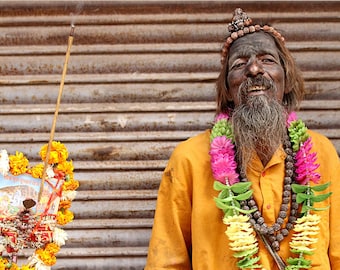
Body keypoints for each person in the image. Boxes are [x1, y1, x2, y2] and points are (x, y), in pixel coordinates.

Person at [145, 8, 340, 270]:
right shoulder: (189, 159)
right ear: (227, 90)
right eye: (239, 64)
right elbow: (166, 262)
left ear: (287, 81)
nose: (254, 69)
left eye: (267, 60)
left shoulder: (320, 153)